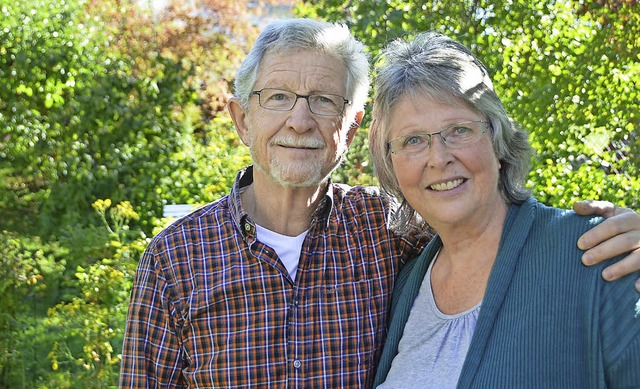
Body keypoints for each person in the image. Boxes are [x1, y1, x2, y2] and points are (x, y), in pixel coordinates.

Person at [119, 19, 640, 388]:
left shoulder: (385, 231)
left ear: (350, 127)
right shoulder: (174, 260)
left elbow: (494, 221)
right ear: (240, 119)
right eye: (277, 97)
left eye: (324, 101)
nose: (300, 121)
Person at [370, 31, 640, 388]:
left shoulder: (598, 251)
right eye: (413, 140)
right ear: (391, 163)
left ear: (498, 140)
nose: (438, 158)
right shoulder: (404, 284)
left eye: (460, 130)